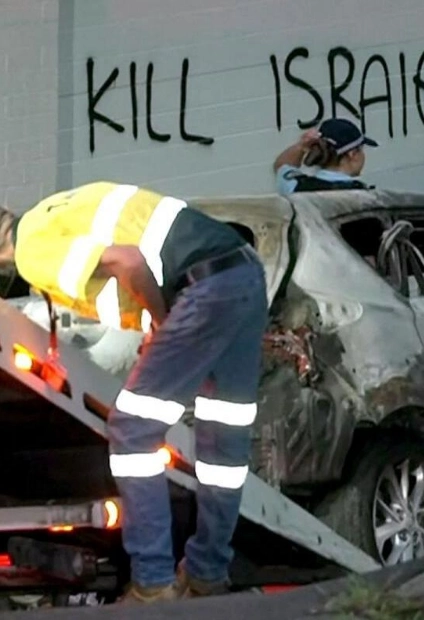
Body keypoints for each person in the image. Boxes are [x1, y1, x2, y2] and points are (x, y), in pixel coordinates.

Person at [0, 182, 268, 604]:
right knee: (222, 442)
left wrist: (162, 320)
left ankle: (153, 583)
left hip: (201, 290)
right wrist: (157, 323)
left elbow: (127, 259)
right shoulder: (54, 209)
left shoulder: (33, 251)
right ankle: (206, 574)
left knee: (131, 430)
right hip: (242, 275)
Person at [273, 117, 379, 194]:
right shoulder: (364, 196)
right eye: (361, 150)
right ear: (353, 154)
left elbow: (281, 165)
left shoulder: (296, 186)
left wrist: (301, 145)